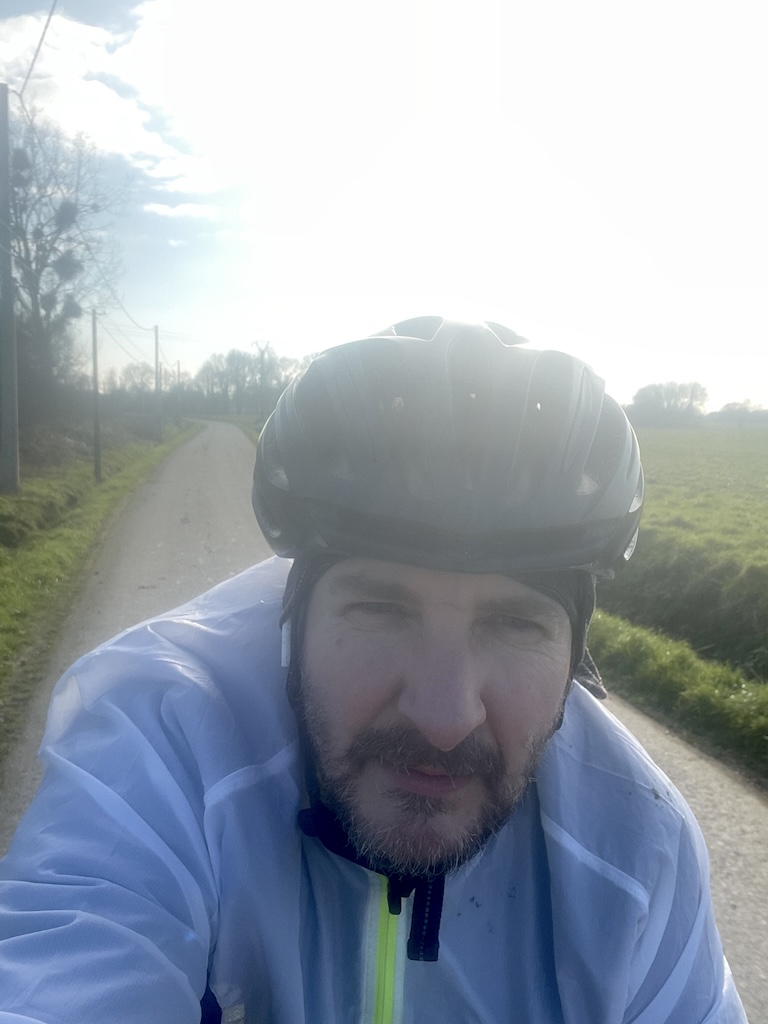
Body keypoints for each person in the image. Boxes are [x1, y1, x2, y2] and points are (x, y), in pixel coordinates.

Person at [0, 317, 746, 1023]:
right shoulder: (163, 745)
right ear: (294, 617)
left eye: (516, 623)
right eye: (381, 608)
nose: (445, 717)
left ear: (575, 654)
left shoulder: (639, 848)